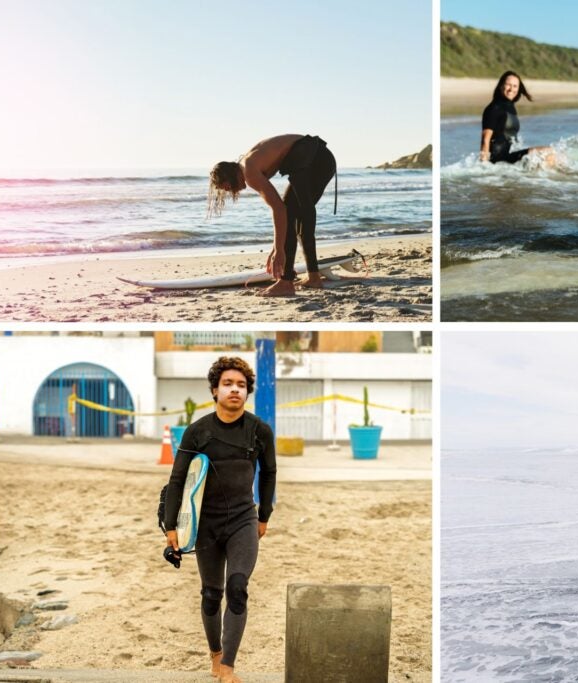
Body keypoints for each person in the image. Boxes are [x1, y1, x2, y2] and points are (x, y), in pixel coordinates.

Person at [163, 356, 278, 683]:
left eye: (241, 385)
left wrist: (264, 515)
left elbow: (269, 472)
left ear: (247, 392)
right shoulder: (198, 433)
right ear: (215, 390)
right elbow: (177, 479)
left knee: (238, 586)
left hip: (243, 520)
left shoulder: (259, 430)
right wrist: (172, 526)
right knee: (211, 593)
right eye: (228, 384)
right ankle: (215, 656)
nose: (235, 390)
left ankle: (228, 666)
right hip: (206, 526)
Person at [208, 135, 337, 297]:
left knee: (294, 213)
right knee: (296, 214)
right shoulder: (248, 163)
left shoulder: (249, 171)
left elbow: (279, 210)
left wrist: (279, 249)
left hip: (314, 158)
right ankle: (313, 277)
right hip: (319, 158)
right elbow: (281, 212)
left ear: (230, 174)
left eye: (227, 187)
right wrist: (278, 245)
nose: (230, 191)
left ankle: (286, 282)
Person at [480, 71, 555, 165]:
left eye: (515, 86)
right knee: (547, 152)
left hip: (508, 157)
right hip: (499, 160)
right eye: (508, 85)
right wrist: (484, 166)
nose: (511, 89)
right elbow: (485, 139)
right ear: (501, 86)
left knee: (554, 156)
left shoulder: (510, 106)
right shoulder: (494, 108)